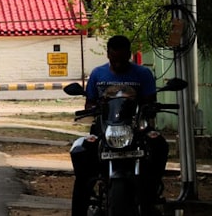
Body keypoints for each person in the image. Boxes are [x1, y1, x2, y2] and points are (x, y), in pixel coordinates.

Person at [70, 35, 167, 216]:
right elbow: (89, 103)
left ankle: (152, 188)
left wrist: (149, 110)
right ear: (108, 55)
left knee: (159, 144)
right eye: (114, 60)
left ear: (129, 55)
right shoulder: (98, 74)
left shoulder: (143, 74)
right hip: (104, 128)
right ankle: (80, 205)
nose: (119, 64)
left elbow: (149, 103)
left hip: (136, 128)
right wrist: (93, 109)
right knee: (81, 151)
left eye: (122, 60)